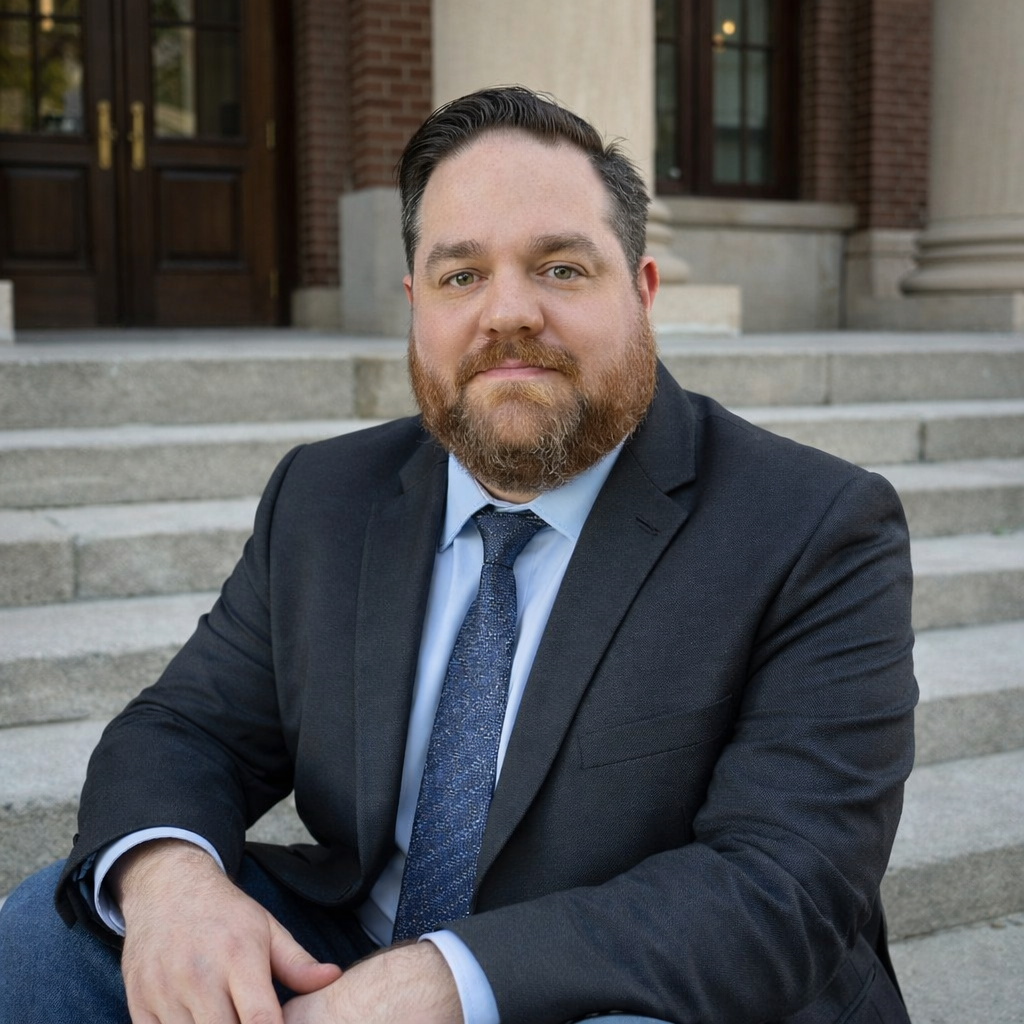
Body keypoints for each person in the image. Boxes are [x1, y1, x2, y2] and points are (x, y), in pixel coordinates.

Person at [0, 86, 917, 1024]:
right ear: (415, 305)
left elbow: (782, 885)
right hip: (351, 954)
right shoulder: (324, 497)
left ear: (642, 292)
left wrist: (441, 982)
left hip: (630, 979)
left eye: (561, 269)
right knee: (46, 933)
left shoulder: (814, 525)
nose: (507, 313)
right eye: (460, 275)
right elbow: (186, 730)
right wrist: (171, 883)